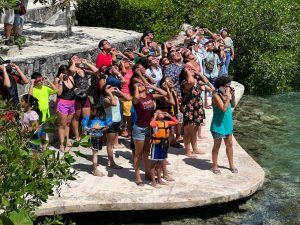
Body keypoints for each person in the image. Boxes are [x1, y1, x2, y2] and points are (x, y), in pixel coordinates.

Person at [130, 77, 167, 186]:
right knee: (138, 154)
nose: (141, 85)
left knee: (146, 152)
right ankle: (137, 176)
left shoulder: (150, 96)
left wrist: (151, 86)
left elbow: (164, 93)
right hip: (139, 129)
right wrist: (136, 86)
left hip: (149, 128)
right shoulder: (136, 99)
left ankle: (147, 173)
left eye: (141, 84)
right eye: (138, 85)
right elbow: (136, 97)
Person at [210, 76, 237, 174]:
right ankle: (215, 165)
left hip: (227, 124)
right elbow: (224, 109)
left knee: (229, 145)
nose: (228, 88)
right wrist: (228, 97)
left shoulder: (227, 95)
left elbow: (233, 105)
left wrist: (232, 96)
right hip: (218, 125)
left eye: (229, 86)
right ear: (220, 86)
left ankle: (231, 164)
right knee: (217, 146)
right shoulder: (216, 96)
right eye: (226, 86)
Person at [179, 67, 207, 157]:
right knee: (188, 132)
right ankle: (188, 151)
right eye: (189, 70)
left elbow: (205, 81)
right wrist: (187, 71)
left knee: (194, 130)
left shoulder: (195, 81)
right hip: (189, 109)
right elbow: (190, 82)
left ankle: (195, 149)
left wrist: (198, 74)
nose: (191, 70)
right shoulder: (185, 83)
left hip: (197, 107)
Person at [69, 55, 98, 141]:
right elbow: (72, 70)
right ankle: (76, 135)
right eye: (74, 58)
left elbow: (96, 70)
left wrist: (86, 63)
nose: (77, 59)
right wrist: (73, 62)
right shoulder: (72, 71)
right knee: (76, 118)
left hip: (85, 96)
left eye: (77, 57)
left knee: (86, 117)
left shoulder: (84, 70)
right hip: (76, 97)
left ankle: (84, 134)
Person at [102, 84, 130, 169]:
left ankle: (111, 161)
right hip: (110, 123)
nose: (111, 88)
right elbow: (113, 104)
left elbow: (128, 98)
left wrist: (119, 91)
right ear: (105, 91)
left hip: (117, 122)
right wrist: (110, 93)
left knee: (113, 143)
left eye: (111, 87)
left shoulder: (116, 96)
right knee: (110, 144)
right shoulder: (106, 99)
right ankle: (112, 163)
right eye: (108, 88)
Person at [149, 110, 178, 188]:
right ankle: (153, 182)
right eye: (158, 113)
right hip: (156, 145)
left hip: (163, 144)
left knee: (160, 163)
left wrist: (169, 116)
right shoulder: (155, 123)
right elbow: (151, 124)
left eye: (162, 112)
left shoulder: (166, 122)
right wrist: (155, 116)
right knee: (154, 164)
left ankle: (160, 180)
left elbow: (176, 122)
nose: (161, 113)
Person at [54, 65, 76, 152]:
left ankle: (66, 141)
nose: (66, 74)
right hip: (62, 103)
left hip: (72, 103)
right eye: (64, 72)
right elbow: (59, 93)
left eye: (67, 72)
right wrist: (61, 81)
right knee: (62, 125)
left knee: (68, 123)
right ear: (60, 72)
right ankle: (62, 145)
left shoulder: (70, 77)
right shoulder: (57, 80)